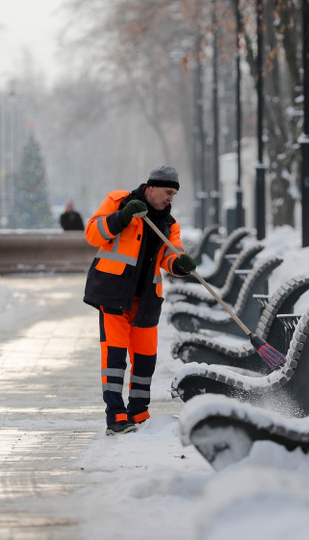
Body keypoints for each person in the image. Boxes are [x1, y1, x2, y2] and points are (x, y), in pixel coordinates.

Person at [82, 166, 197, 435]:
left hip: (146, 300)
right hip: (114, 295)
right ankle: (116, 417)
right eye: (168, 192)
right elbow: (93, 234)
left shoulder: (170, 224)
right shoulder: (118, 201)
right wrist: (122, 217)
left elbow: (171, 256)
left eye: (175, 194)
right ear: (152, 187)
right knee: (115, 358)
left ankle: (140, 414)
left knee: (145, 360)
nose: (171, 198)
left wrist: (179, 265)